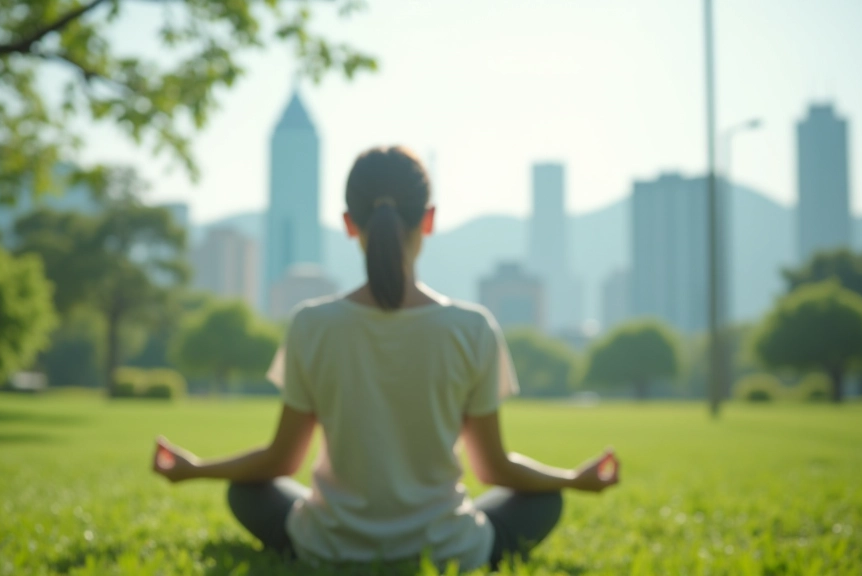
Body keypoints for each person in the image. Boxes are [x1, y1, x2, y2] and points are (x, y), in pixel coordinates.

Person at [152, 146, 620, 571]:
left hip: (329, 547)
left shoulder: (311, 324)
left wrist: (195, 469)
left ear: (348, 223)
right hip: (446, 551)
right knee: (546, 501)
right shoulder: (473, 328)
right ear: (430, 219)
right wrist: (573, 480)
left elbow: (280, 460)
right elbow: (493, 468)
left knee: (246, 490)